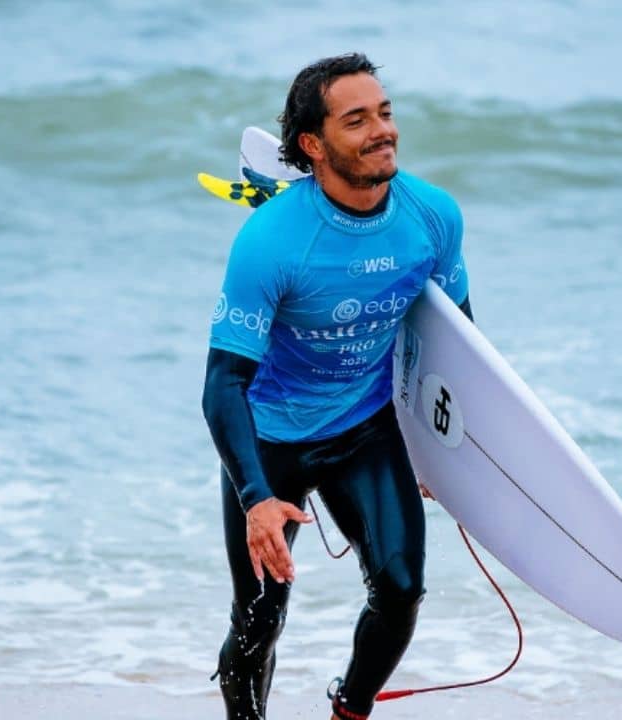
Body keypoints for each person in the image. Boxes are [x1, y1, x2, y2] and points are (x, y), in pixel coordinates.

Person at [202, 52, 472, 720]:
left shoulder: (432, 216)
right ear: (313, 145)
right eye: (358, 120)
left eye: (384, 112)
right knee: (259, 616)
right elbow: (222, 385)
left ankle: (350, 709)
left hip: (367, 425)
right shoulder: (269, 242)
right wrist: (257, 499)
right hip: (270, 439)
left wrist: (443, 449)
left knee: (402, 586)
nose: (383, 130)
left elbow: (459, 347)